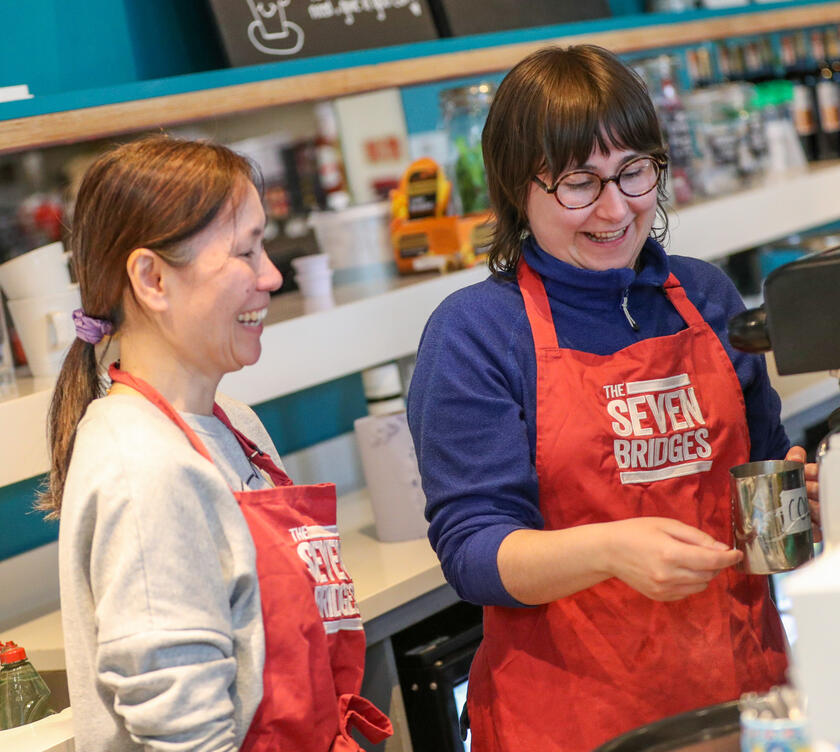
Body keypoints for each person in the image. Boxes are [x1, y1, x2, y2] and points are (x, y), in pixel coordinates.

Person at [406, 45, 820, 751]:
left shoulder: (706, 297)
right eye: (578, 183)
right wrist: (608, 550)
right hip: (575, 720)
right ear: (516, 188)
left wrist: (805, 493)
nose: (615, 208)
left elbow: (764, 465)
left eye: (634, 172)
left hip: (743, 700)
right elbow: (474, 552)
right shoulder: (476, 332)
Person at [40, 135, 391, 752]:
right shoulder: (143, 465)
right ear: (151, 278)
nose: (272, 276)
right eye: (245, 252)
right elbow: (186, 737)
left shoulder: (234, 424)